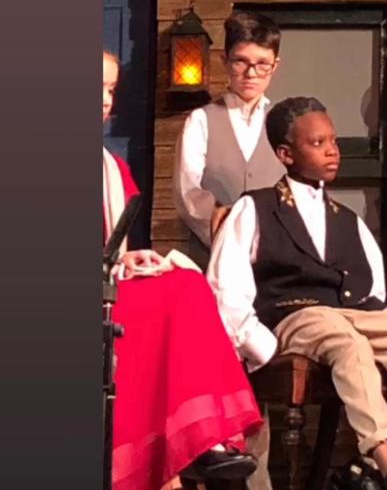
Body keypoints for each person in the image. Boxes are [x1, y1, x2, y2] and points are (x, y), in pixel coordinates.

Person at [208, 96, 387, 490]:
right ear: (286, 154)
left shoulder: (348, 220)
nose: (332, 150)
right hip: (294, 316)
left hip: (355, 314)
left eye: (333, 141)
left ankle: (364, 469)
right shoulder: (254, 208)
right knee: (347, 342)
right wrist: (262, 347)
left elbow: (373, 288)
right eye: (317, 143)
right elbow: (227, 288)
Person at [103, 50, 262, 490]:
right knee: (176, 296)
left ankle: (210, 437)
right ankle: (196, 439)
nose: (106, 99)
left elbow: (112, 248)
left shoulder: (111, 167)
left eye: (111, 89)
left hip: (107, 286)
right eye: (96, 88)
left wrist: (128, 259)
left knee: (187, 283)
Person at [174, 11, 286, 257]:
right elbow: (188, 194)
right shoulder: (201, 120)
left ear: (275, 65)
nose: (251, 73)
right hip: (213, 254)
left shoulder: (284, 122)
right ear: (225, 60)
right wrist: (229, 238)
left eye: (262, 64)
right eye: (240, 62)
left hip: (274, 256)